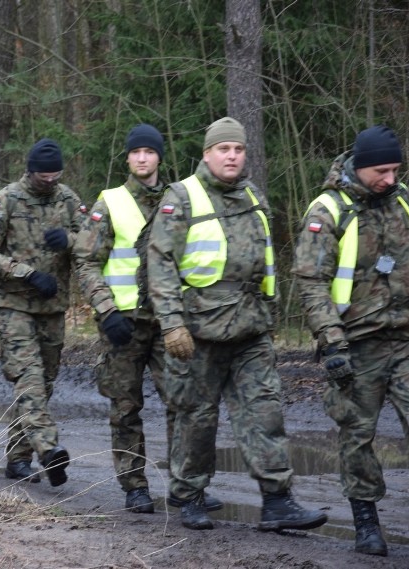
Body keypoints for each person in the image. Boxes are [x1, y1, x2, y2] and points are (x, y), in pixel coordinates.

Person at [146, 117, 327, 532]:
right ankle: (188, 494)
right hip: (198, 333)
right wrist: (172, 324)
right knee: (197, 419)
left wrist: (270, 314)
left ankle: (277, 502)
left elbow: (263, 262)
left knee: (265, 414)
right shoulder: (182, 197)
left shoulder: (252, 195)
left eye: (238, 149)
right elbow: (159, 263)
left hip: (250, 330)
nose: (232, 156)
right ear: (207, 153)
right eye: (224, 149)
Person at [74, 124, 223, 513]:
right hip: (122, 325)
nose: (142, 158)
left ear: (159, 156)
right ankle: (134, 486)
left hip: (169, 321)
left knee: (183, 402)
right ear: (127, 157)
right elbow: (86, 261)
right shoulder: (109, 202)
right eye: (135, 152)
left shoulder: (182, 200)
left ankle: (185, 485)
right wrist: (105, 311)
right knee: (125, 407)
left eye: (149, 152)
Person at [292, 125, 409, 557]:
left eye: (396, 169)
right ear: (359, 167)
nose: (391, 178)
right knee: (357, 436)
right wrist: (333, 342)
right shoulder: (328, 210)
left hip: (406, 340)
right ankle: (365, 519)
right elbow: (311, 283)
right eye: (382, 170)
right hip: (356, 345)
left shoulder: (403, 203)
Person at [0, 138, 84, 486]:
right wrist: (27, 273)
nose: (49, 182)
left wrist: (69, 239)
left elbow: (93, 241)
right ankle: (49, 450)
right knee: (29, 378)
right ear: (30, 171)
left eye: (55, 176)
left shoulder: (68, 200)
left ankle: (18, 459)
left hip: (52, 307)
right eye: (43, 177)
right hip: (13, 305)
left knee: (43, 385)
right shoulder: (6, 199)